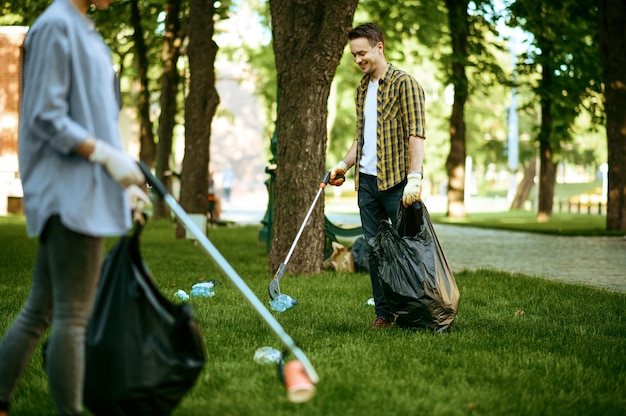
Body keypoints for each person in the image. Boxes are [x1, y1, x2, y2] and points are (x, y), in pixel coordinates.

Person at [0, 0, 148, 415]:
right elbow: (45, 117)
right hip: (70, 193)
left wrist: (121, 180)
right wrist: (105, 157)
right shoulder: (55, 26)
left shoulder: (83, 28)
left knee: (39, 311)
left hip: (90, 189)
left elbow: (98, 118)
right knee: (73, 316)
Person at [329, 23, 426, 329]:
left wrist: (415, 176)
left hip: (397, 182)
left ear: (379, 47)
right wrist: (344, 165)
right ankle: (384, 315)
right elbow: (362, 138)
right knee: (373, 250)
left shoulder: (404, 84)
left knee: (406, 250)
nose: (358, 59)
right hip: (367, 183)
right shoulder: (362, 88)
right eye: (354, 55)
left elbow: (415, 133)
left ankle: (415, 313)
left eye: (362, 52)